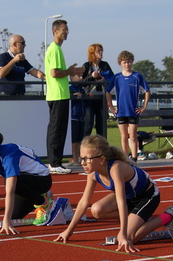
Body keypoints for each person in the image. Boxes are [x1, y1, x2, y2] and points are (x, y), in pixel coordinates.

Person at [54, 135, 173, 253]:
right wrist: (68, 231)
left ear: (102, 159)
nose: (82, 163)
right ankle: (137, 217)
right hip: (129, 197)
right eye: (81, 158)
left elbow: (121, 202)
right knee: (96, 210)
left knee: (129, 238)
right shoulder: (92, 173)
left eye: (87, 159)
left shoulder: (116, 168)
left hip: (147, 196)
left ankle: (168, 216)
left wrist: (124, 234)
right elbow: (84, 202)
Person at [45, 19, 83, 175]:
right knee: (56, 129)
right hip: (57, 94)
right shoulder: (54, 49)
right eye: (64, 30)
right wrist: (70, 72)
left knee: (58, 128)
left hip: (59, 94)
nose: (67, 32)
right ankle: (54, 162)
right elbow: (54, 73)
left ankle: (55, 161)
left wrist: (68, 71)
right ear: (55, 31)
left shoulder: (56, 49)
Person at [105, 50, 151, 160]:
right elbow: (107, 92)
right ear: (120, 63)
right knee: (124, 136)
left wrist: (143, 106)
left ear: (132, 62)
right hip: (121, 111)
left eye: (129, 62)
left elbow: (147, 91)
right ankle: (125, 158)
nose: (127, 64)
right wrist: (111, 107)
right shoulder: (116, 78)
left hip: (133, 111)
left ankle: (134, 158)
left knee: (133, 136)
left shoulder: (137, 76)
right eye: (124, 62)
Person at [81, 43, 113, 137]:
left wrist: (104, 80)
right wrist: (92, 76)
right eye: (98, 51)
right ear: (92, 53)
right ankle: (85, 148)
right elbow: (80, 81)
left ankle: (102, 148)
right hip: (90, 98)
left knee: (102, 125)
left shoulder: (105, 65)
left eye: (101, 50)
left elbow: (112, 78)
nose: (101, 52)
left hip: (102, 97)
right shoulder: (86, 66)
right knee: (88, 125)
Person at [69, 75, 87, 165]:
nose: (80, 77)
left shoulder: (82, 89)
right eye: (78, 76)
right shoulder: (70, 88)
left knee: (79, 139)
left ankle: (78, 156)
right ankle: (73, 157)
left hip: (81, 117)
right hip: (74, 117)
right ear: (71, 78)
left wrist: (85, 95)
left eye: (81, 76)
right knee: (73, 139)